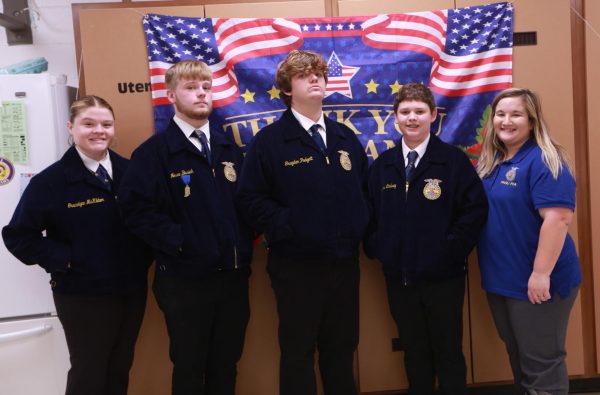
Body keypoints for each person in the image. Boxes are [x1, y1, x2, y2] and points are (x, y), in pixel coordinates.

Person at [236, 50, 369, 395]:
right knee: (298, 353)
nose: (314, 79)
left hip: (344, 263)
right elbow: (250, 199)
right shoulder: (270, 142)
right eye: (304, 75)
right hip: (296, 267)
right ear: (287, 89)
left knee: (341, 351)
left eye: (319, 74)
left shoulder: (344, 138)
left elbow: (364, 191)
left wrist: (357, 224)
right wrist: (290, 226)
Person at [117, 60, 253, 395]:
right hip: (184, 281)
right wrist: (181, 242)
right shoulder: (153, 154)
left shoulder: (228, 149)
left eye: (206, 87)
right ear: (171, 94)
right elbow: (135, 211)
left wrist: (244, 240)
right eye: (191, 88)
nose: (201, 94)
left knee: (226, 363)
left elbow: (247, 203)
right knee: (190, 366)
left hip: (232, 278)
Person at [2, 95, 152, 395]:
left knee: (120, 367)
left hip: (130, 289)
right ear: (71, 127)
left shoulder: (130, 171)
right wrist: (67, 259)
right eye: (89, 124)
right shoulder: (51, 182)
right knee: (89, 371)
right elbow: (18, 235)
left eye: (106, 124)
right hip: (83, 294)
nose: (99, 131)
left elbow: (149, 220)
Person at [366, 83, 488, 395]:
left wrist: (451, 250)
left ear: (432, 115)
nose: (412, 118)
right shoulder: (383, 166)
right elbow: (369, 215)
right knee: (415, 352)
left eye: (419, 111)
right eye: (405, 112)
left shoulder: (452, 162)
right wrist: (380, 248)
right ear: (395, 118)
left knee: (448, 351)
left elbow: (474, 211)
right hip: (400, 279)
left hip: (443, 278)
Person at [476, 88, 581, 395]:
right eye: (501, 114)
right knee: (521, 360)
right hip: (503, 280)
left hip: (538, 281)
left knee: (542, 367)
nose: (506, 121)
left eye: (516, 114)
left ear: (533, 121)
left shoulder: (545, 160)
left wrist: (540, 274)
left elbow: (558, 219)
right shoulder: (493, 160)